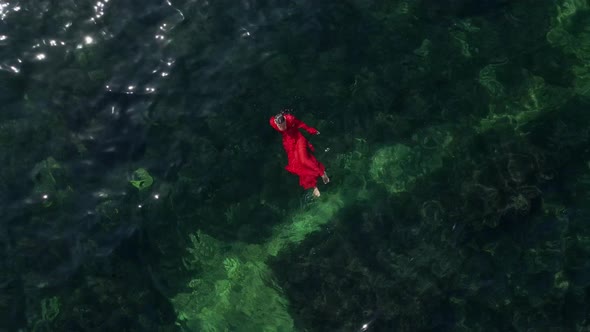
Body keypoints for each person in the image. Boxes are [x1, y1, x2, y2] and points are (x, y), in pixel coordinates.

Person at [269, 110, 329, 197]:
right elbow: (272, 120)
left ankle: (322, 173)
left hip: (298, 139)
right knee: (297, 165)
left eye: (284, 125)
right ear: (276, 123)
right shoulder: (272, 122)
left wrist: (312, 130)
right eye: (280, 126)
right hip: (289, 143)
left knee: (304, 160)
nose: (283, 128)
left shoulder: (290, 119)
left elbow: (301, 124)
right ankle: (314, 186)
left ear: (285, 120)